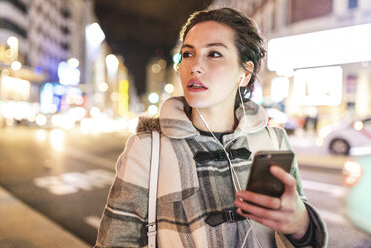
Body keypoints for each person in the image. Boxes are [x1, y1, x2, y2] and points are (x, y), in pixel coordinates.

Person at [94, 7, 327, 248]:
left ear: (245, 73)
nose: (195, 66)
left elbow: (299, 227)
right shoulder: (147, 147)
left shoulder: (274, 140)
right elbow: (115, 241)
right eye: (187, 54)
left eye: (214, 54)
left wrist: (301, 225)